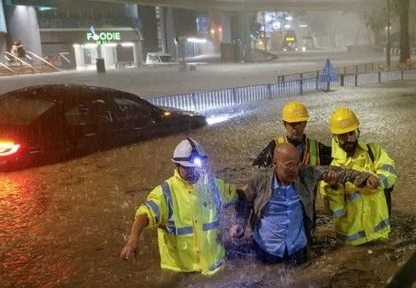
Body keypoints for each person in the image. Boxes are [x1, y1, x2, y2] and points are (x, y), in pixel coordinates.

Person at [232, 143, 372, 265]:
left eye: (297, 163)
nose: (295, 169)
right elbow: (245, 202)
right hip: (266, 250)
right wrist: (240, 223)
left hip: (297, 250)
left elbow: (338, 171)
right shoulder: (260, 180)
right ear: (274, 164)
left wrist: (364, 178)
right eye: (289, 165)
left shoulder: (306, 174)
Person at [120, 138, 239, 274]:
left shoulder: (213, 186)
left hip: (215, 268)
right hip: (182, 273)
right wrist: (133, 239)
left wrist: (259, 186)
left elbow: (238, 195)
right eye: (188, 168)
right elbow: (145, 215)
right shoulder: (165, 193)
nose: (193, 171)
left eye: (196, 167)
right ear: (177, 165)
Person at [320, 107, 397, 246]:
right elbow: (336, 212)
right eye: (342, 135)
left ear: (357, 131)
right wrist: (333, 187)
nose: (348, 138)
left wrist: (378, 181)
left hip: (380, 235)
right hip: (352, 244)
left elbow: (391, 173)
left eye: (351, 133)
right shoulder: (331, 170)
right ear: (335, 138)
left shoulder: (374, 151)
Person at [253, 101, 332, 168]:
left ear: (305, 123)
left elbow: (338, 158)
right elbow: (257, 168)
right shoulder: (275, 146)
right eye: (292, 124)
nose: (296, 128)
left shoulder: (317, 148)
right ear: (285, 124)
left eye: (299, 123)